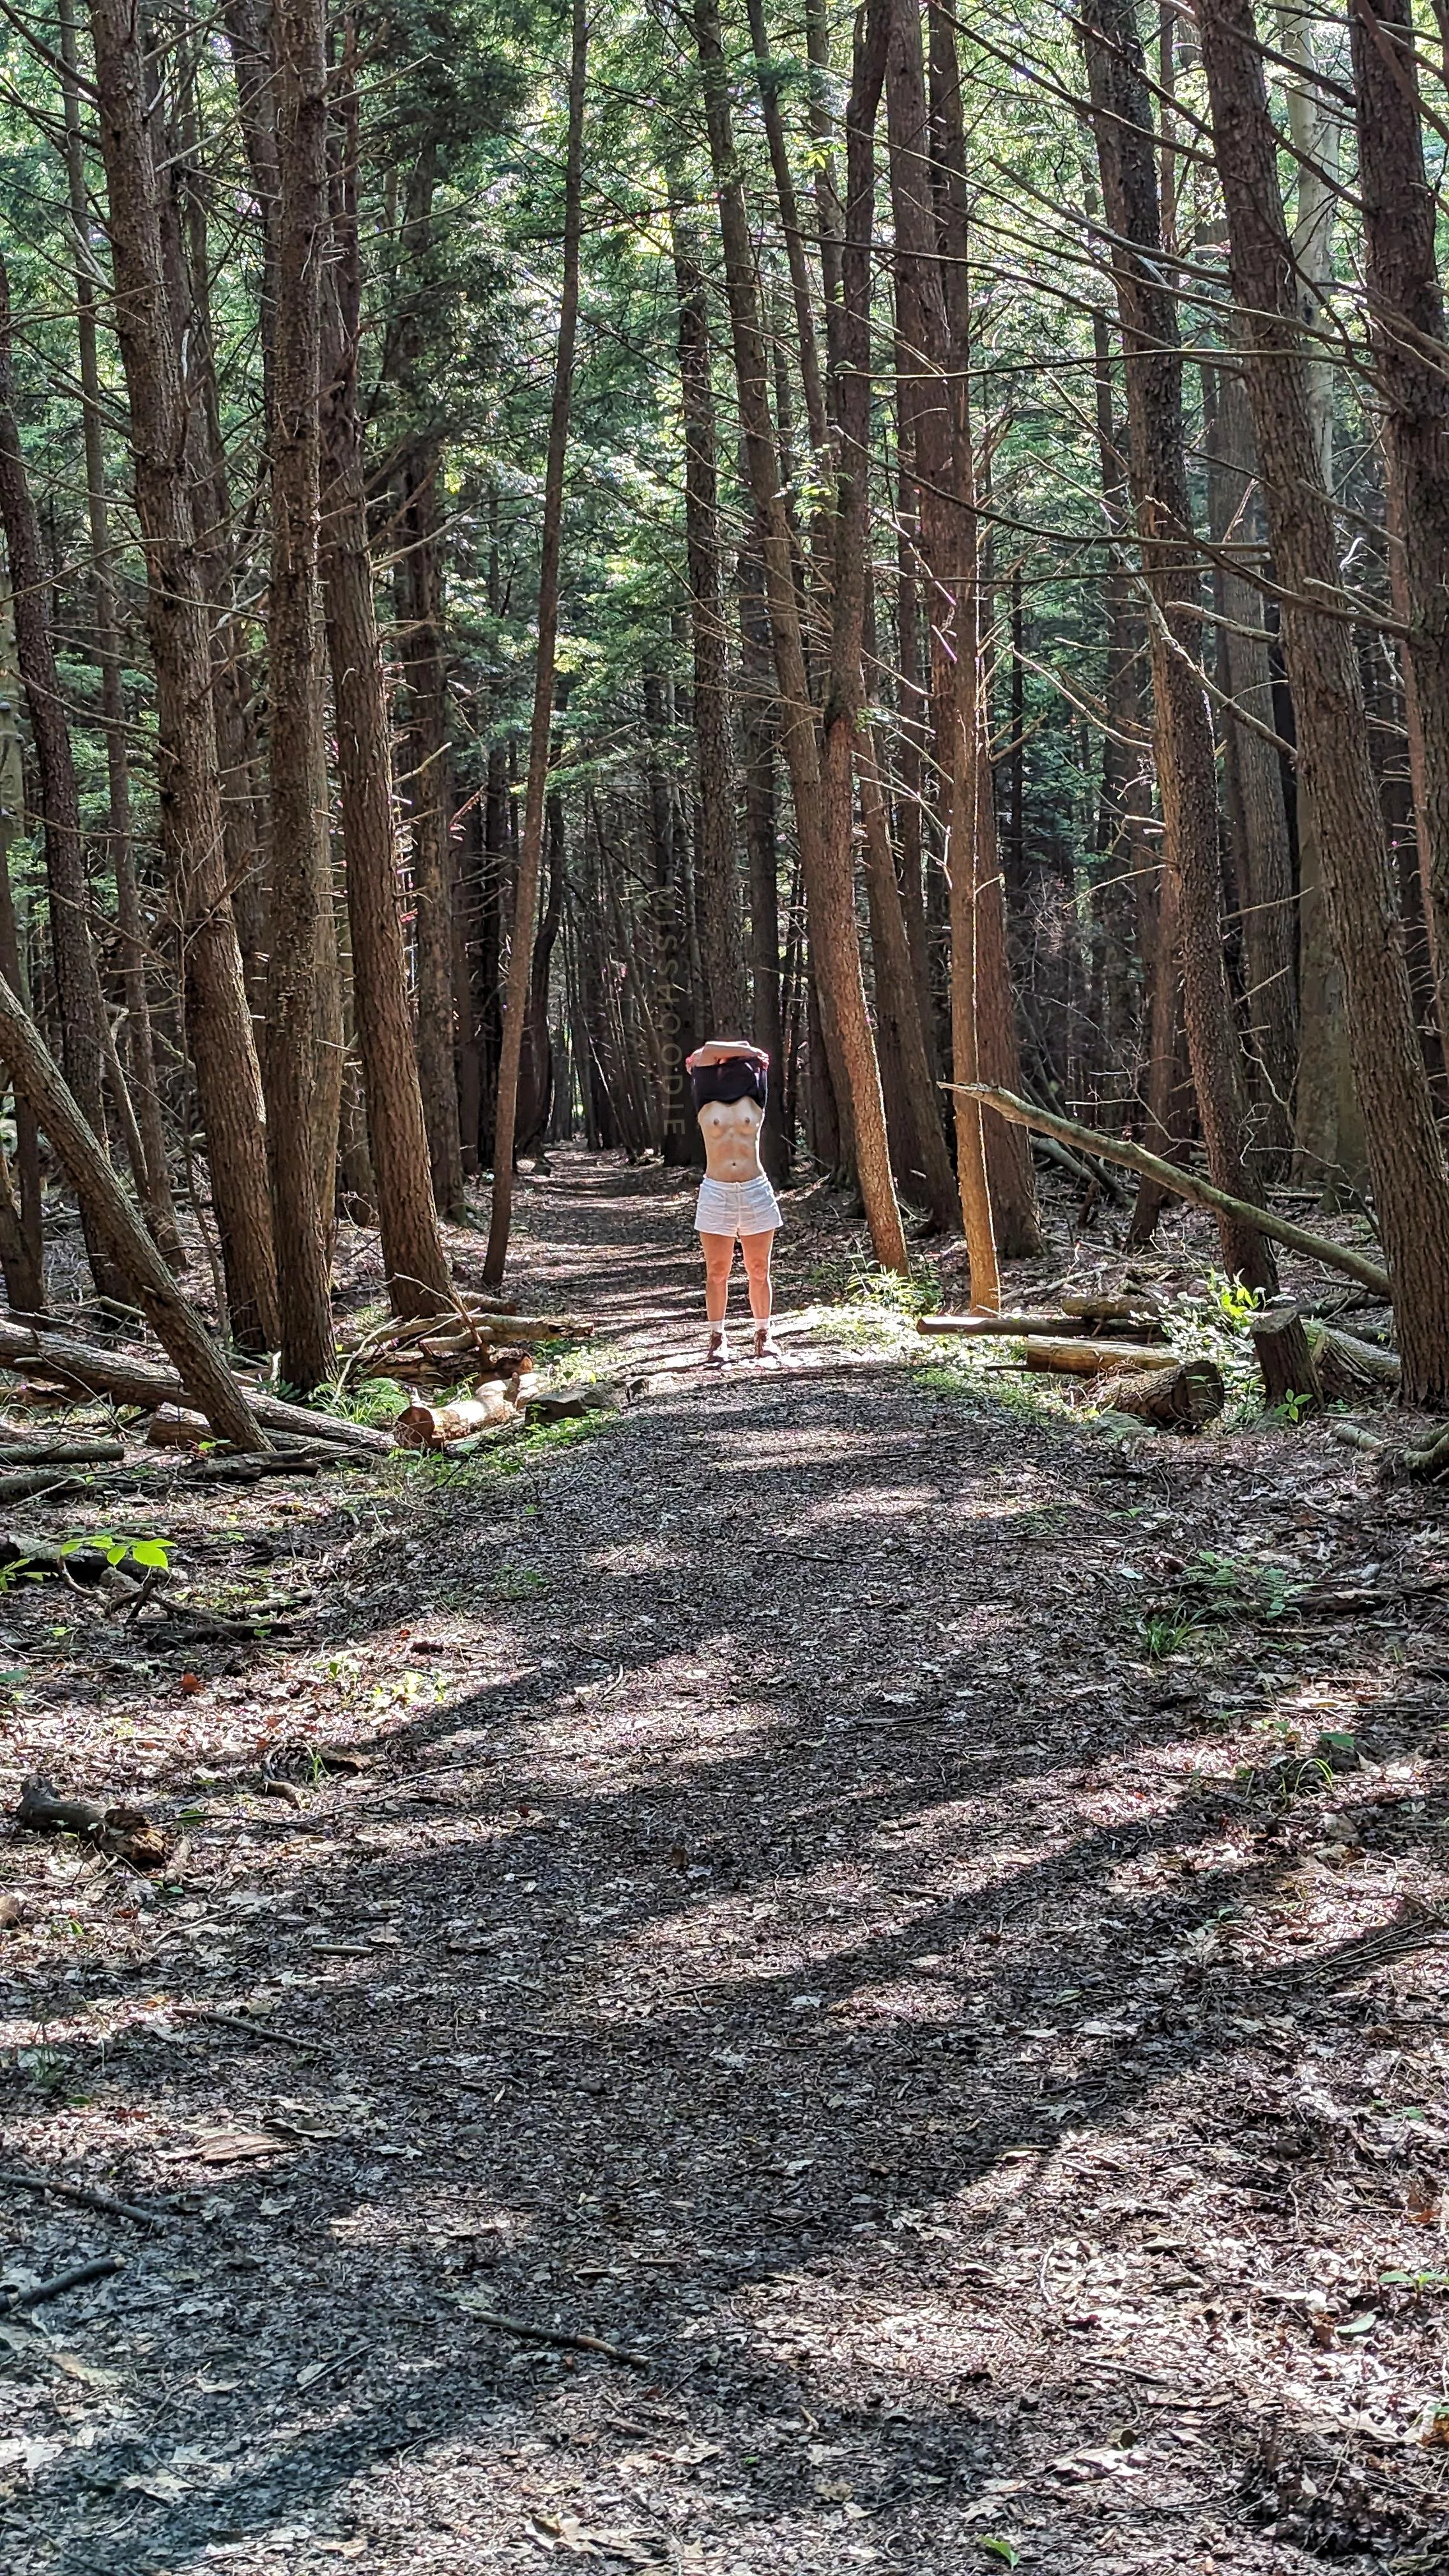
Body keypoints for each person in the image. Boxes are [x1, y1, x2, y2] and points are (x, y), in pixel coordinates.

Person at [686, 1038, 781, 1366]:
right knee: (717, 1271)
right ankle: (717, 1338)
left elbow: (718, 1051)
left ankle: (764, 1334)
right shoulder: (704, 1095)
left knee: (759, 1268)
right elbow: (710, 1048)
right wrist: (751, 1051)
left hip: (755, 1189)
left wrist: (750, 1055)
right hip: (717, 1191)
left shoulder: (756, 1094)